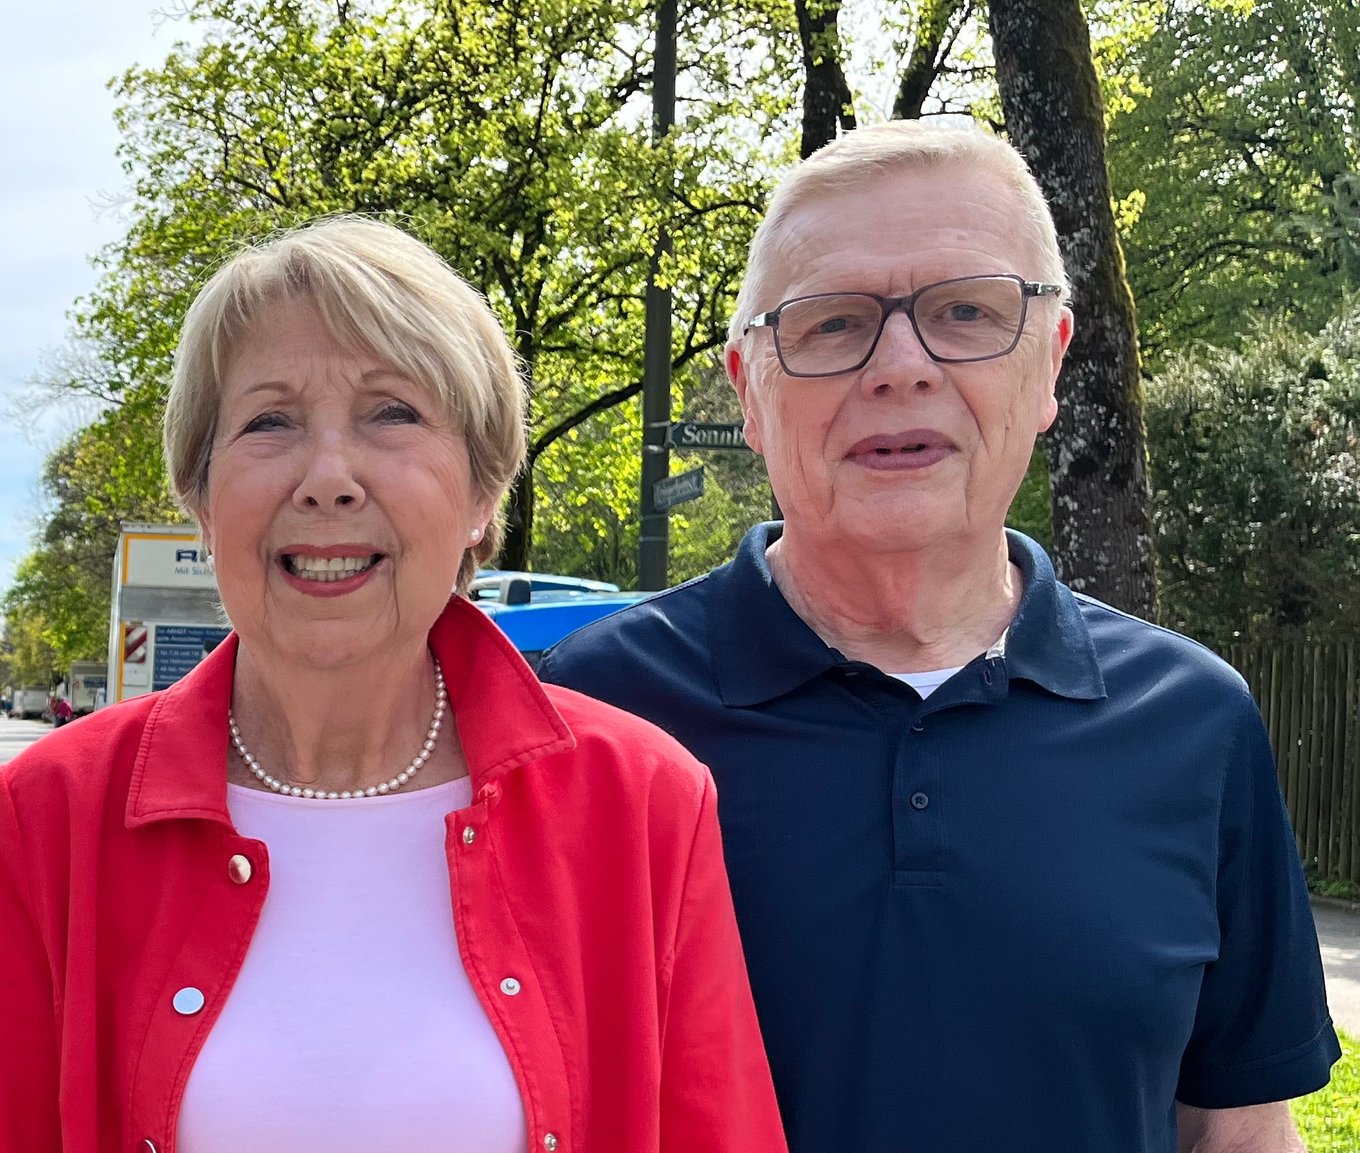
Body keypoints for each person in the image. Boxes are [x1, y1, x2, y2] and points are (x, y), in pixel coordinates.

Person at [540, 120, 1337, 1153]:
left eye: (965, 311)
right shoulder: (594, 714)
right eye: (830, 324)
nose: (899, 366)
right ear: (746, 388)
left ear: (1048, 363)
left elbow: (1234, 1132)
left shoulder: (1193, 721)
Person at [0, 217, 787, 1152]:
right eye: (269, 421)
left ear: (483, 493)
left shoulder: (643, 803)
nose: (328, 477)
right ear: (201, 501)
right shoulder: (53, 814)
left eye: (393, 413)